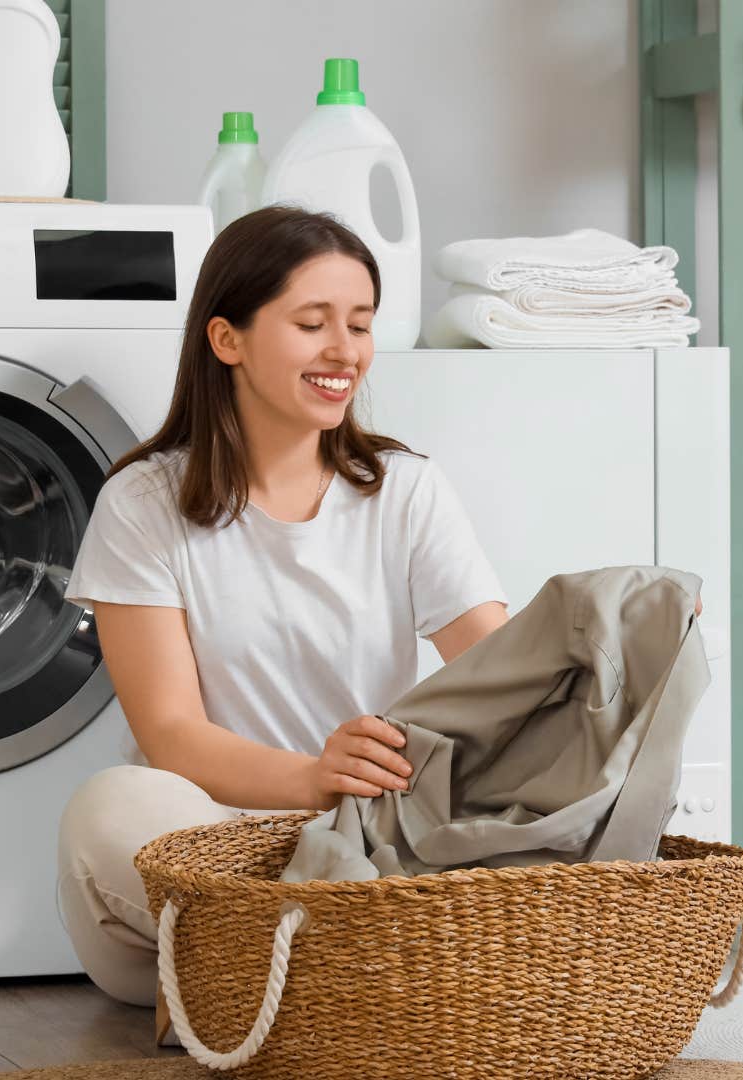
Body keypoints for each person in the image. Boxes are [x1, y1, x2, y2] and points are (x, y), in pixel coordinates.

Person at [54, 206, 510, 1009]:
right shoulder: (143, 502)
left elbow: (503, 677)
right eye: (312, 323)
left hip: (368, 855)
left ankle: (285, 988)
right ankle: (331, 975)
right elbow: (171, 735)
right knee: (114, 804)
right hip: (210, 858)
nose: (345, 351)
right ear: (227, 340)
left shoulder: (404, 491)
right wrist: (313, 779)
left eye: (361, 325)